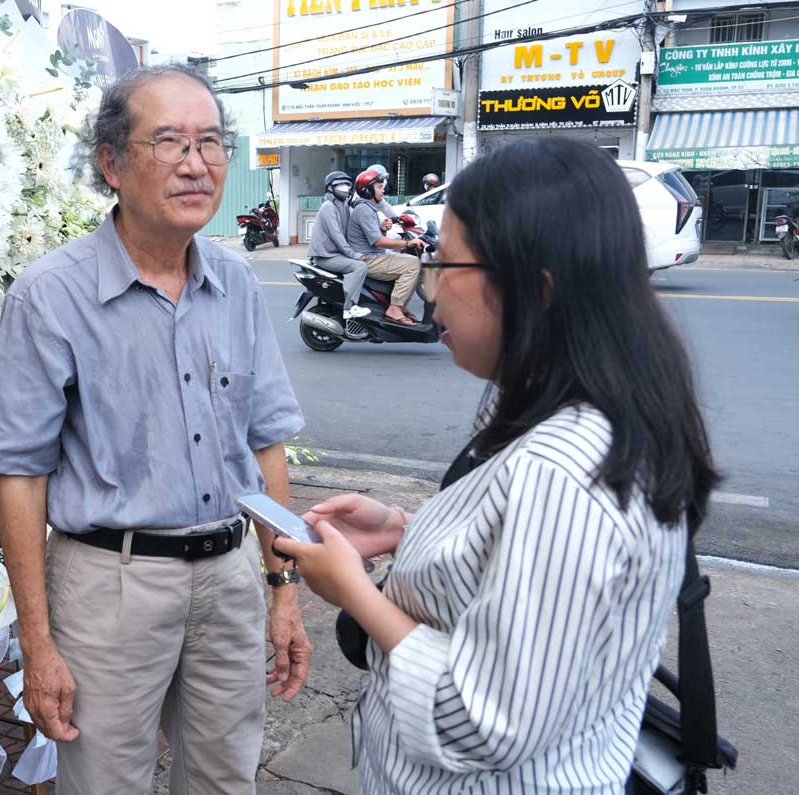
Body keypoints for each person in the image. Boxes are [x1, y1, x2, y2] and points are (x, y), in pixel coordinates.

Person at [273, 137, 720, 793]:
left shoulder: (565, 470)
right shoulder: (594, 417)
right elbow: (532, 564)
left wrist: (355, 593)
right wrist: (404, 525)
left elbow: (479, 722)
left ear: (533, 290)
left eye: (445, 262)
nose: (430, 285)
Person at [0, 64, 312, 795]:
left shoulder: (238, 282)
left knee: (227, 778)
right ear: (111, 163)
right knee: (105, 782)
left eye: (211, 142)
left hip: (228, 573)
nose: (195, 164)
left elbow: (266, 440)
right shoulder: (51, 295)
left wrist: (282, 587)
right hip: (107, 584)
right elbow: (20, 476)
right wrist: (36, 642)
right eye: (168, 142)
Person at [347, 170, 423, 325]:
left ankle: (400, 306)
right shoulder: (364, 210)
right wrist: (408, 243)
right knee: (413, 264)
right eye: (379, 187)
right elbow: (378, 242)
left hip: (374, 255)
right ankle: (394, 308)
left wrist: (383, 227)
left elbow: (373, 236)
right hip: (368, 259)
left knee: (412, 261)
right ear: (368, 191)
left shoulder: (369, 208)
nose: (383, 190)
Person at [307, 170, 371, 320]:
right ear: (330, 188)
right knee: (359, 267)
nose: (344, 187)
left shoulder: (343, 206)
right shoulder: (328, 206)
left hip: (336, 253)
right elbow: (337, 236)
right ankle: (349, 309)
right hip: (326, 256)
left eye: (347, 184)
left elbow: (351, 231)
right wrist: (354, 255)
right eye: (340, 184)